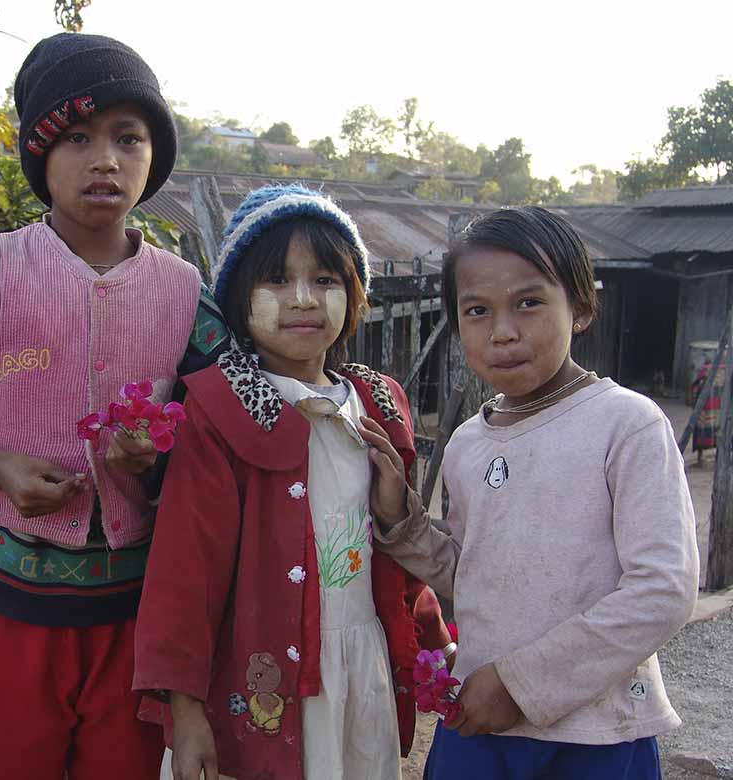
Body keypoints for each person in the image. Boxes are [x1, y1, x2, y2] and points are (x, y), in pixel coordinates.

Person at [0, 33, 228, 780]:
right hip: (8, 603)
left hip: (136, 611)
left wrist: (156, 455)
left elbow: (220, 436)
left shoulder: (186, 297)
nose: (104, 158)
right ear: (40, 155)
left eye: (127, 138)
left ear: (152, 158)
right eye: (76, 136)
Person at [363, 206, 699, 780]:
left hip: (594, 734)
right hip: (482, 729)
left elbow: (663, 590)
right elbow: (473, 574)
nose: (503, 331)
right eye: (477, 311)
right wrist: (402, 521)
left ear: (582, 307)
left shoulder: (626, 424)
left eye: (529, 302)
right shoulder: (470, 442)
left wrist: (521, 684)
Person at [132, 184, 452, 780]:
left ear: (355, 295)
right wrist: (185, 709)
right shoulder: (219, 409)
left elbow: (402, 568)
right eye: (276, 280)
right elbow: (185, 571)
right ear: (237, 299)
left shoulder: (380, 406)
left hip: (364, 670)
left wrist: (432, 640)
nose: (302, 299)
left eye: (327, 279)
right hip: (264, 675)